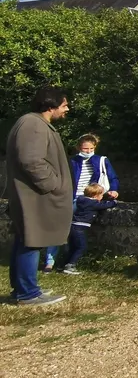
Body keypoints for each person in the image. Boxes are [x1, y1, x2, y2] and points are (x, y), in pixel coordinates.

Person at [5, 86, 74, 305]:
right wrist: (52, 184)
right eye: (64, 105)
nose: (67, 109)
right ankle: (27, 293)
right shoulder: (33, 124)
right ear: (51, 105)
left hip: (33, 196)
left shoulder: (34, 123)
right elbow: (31, 161)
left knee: (26, 240)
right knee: (32, 241)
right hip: (33, 197)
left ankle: (23, 289)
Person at [45, 133, 120, 272]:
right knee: (59, 228)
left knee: (70, 231)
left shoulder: (101, 160)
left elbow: (112, 177)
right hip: (71, 198)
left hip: (89, 198)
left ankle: (64, 261)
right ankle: (50, 262)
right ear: (79, 147)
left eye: (91, 148)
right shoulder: (72, 161)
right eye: (86, 149)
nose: (89, 151)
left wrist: (114, 190)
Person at [58, 183, 117, 275]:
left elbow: (98, 202)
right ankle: (71, 265)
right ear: (95, 196)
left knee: (73, 247)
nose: (102, 196)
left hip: (73, 226)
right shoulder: (93, 204)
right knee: (81, 247)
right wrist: (114, 202)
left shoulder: (81, 200)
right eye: (101, 195)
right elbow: (104, 205)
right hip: (80, 228)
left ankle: (63, 264)